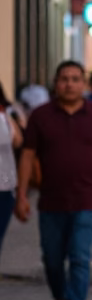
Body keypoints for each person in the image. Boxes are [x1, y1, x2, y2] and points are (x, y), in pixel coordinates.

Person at [15, 61, 92, 300]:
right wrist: (21, 195)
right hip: (51, 203)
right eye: (64, 79)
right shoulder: (40, 116)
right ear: (55, 83)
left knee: (80, 259)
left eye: (74, 79)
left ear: (83, 84)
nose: (69, 84)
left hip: (87, 201)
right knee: (52, 260)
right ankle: (60, 298)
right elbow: (27, 155)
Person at [0, 83, 22, 264]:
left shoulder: (5, 115)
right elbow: (18, 141)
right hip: (6, 187)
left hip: (6, 187)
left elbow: (18, 141)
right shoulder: (5, 115)